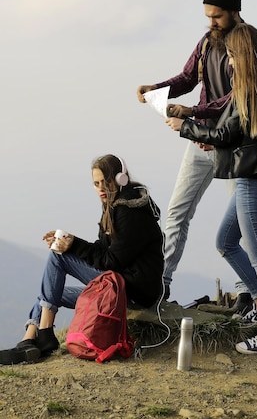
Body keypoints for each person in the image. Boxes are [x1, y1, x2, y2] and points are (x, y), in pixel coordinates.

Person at [166, 24, 257, 355]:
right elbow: (234, 131)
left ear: (246, 56)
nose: (231, 62)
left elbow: (227, 134)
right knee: (224, 242)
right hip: (248, 176)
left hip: (254, 179)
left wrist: (186, 127)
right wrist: (203, 127)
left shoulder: (254, 90)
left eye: (234, 56)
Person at [137, 0, 251, 308]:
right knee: (176, 212)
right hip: (199, 140)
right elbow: (188, 78)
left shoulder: (248, 45)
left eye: (217, 16)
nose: (211, 22)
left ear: (234, 11)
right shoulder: (206, 42)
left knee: (243, 218)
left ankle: (246, 291)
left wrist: (192, 113)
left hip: (234, 146)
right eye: (208, 16)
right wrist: (155, 89)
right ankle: (161, 284)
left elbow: (236, 98)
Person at [0, 154, 164, 365]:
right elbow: (103, 250)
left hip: (131, 292)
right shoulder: (115, 205)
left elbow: (111, 261)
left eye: (105, 183)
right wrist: (71, 242)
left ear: (120, 179)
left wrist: (73, 245)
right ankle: (28, 342)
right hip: (118, 287)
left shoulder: (129, 211)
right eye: (96, 184)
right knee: (50, 292)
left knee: (58, 258)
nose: (100, 189)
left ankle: (45, 335)